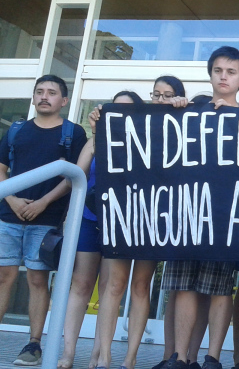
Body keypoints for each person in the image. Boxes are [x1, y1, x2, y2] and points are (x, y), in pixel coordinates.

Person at [0, 74, 87, 365]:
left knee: (37, 279)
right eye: (39, 91)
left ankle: (34, 345)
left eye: (51, 92)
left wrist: (43, 202)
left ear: (64, 100)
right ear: (33, 97)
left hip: (47, 218)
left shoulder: (72, 133)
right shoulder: (17, 130)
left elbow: (75, 176)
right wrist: (12, 199)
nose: (44, 96)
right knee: (1, 277)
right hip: (8, 215)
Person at [164, 46, 239, 369]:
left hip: (225, 216)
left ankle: (213, 357)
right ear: (210, 74)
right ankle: (180, 356)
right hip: (187, 213)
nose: (223, 77)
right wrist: (173, 108)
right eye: (218, 70)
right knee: (184, 285)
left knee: (220, 288)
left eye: (231, 72)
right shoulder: (189, 112)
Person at [94, 77, 189, 369]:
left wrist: (185, 107)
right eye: (156, 94)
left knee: (140, 286)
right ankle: (105, 356)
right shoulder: (134, 123)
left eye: (168, 95)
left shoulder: (183, 122)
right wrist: (100, 121)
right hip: (124, 214)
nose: (161, 100)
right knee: (114, 285)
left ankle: (130, 358)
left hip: (154, 218)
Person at [57, 91, 144, 369]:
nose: (119, 113)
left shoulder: (143, 142)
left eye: (126, 109)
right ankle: (68, 352)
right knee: (80, 284)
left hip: (119, 223)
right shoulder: (95, 140)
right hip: (88, 218)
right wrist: (97, 137)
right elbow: (74, 177)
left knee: (110, 288)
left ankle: (98, 354)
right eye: (114, 108)